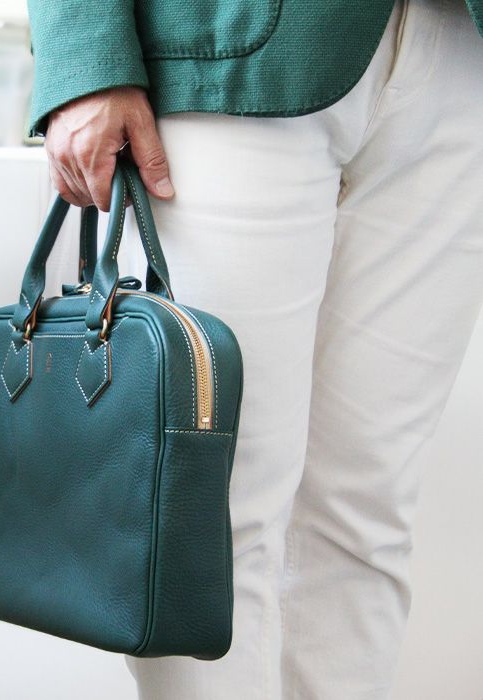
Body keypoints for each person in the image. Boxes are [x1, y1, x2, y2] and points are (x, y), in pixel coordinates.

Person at [26, 0, 483, 697]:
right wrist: (83, 60)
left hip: (461, 61)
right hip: (228, 42)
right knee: (205, 511)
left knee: (369, 514)